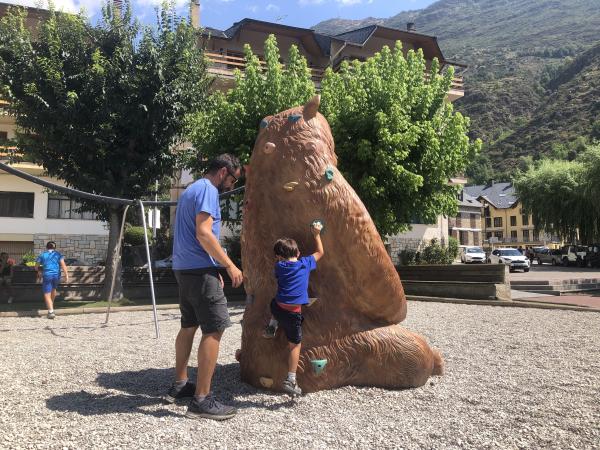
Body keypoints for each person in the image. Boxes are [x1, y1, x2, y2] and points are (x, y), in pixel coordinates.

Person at [165, 154, 244, 421]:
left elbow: (191, 235)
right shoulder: (209, 190)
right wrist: (229, 266)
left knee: (188, 325)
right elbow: (203, 232)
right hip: (199, 270)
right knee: (215, 328)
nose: (232, 185)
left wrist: (212, 268)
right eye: (233, 179)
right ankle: (201, 399)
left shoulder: (192, 190)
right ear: (223, 171)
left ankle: (179, 384)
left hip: (185, 269)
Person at [262, 221, 324, 396]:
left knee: (273, 303)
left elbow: (280, 269)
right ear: (298, 253)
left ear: (279, 257)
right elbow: (321, 253)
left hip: (279, 307)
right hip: (293, 313)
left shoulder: (279, 267)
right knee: (295, 345)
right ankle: (290, 378)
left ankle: (272, 325)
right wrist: (316, 234)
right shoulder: (304, 263)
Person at [35, 242, 69, 319]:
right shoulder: (57, 254)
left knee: (47, 293)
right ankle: (51, 307)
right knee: (54, 289)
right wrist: (66, 275)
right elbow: (63, 265)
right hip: (56, 275)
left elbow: (36, 266)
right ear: (54, 248)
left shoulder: (42, 255)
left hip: (47, 275)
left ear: (46, 247)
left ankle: (51, 312)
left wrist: (39, 271)